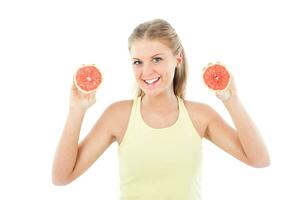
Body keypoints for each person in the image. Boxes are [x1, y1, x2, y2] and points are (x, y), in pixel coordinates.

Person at [52, 18, 270, 199]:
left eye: (156, 59)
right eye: (137, 62)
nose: (146, 71)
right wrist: (76, 110)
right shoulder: (118, 116)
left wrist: (231, 99)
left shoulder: (200, 116)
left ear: (178, 59)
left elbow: (259, 160)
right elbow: (62, 177)